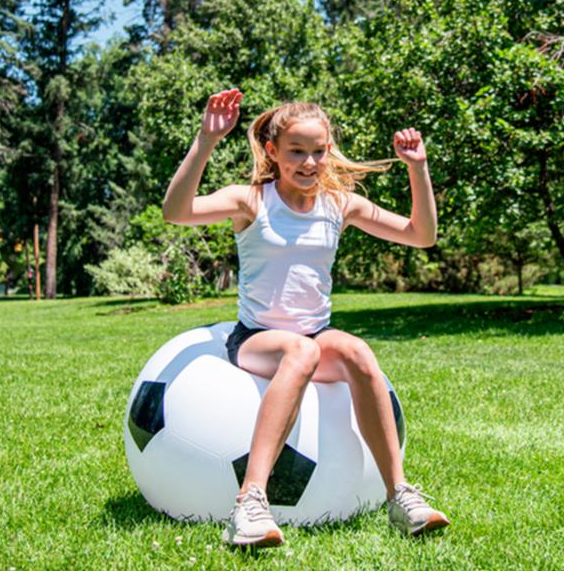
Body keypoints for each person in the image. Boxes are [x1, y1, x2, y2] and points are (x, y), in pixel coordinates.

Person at [163, 88, 450, 547]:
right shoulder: (250, 201)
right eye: (297, 151)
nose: (310, 162)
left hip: (317, 333)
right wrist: (206, 139)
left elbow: (422, 235)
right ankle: (250, 504)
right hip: (257, 338)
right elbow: (176, 212)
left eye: (318, 151)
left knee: (355, 350)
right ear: (273, 152)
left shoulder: (339, 204)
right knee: (300, 350)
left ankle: (400, 494)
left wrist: (418, 168)